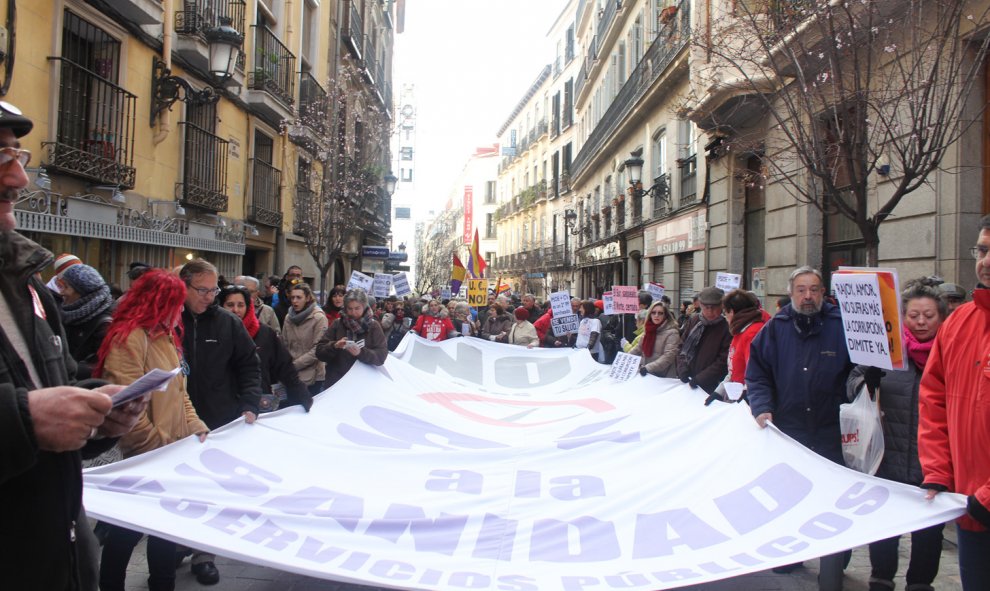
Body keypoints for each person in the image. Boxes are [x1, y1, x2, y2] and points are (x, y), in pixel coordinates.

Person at [0, 102, 148, 591]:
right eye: (1, 157)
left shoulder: (28, 288)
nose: (18, 178)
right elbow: (28, 411)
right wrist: (23, 418)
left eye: (16, 155)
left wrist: (98, 410)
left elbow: (52, 386)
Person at [95, 269, 209, 591]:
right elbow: (125, 402)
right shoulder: (129, 338)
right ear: (160, 302)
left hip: (168, 453)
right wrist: (157, 444)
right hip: (143, 456)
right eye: (176, 303)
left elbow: (180, 392)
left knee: (164, 531)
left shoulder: (167, 337)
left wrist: (195, 426)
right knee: (126, 532)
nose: (181, 311)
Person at [746, 266, 853, 590]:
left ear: (824, 293)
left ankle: (833, 565)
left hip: (830, 430)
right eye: (802, 290)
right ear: (791, 293)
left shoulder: (842, 326)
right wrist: (762, 407)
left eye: (815, 289)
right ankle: (791, 552)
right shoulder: (774, 329)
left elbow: (860, 369)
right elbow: (758, 374)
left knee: (833, 500)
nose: (808, 296)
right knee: (791, 497)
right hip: (790, 431)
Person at [845, 278, 947, 591]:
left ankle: (920, 583)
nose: (920, 322)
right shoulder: (886, 349)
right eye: (913, 315)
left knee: (929, 531)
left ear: (941, 318)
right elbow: (852, 388)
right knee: (885, 525)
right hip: (886, 456)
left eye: (928, 316)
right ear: (902, 317)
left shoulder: (950, 352)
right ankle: (881, 577)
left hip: (932, 461)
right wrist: (868, 382)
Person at [178, 258, 262, 585]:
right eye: (202, 289)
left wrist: (249, 404)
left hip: (218, 419)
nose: (208, 296)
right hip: (177, 421)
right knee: (180, 487)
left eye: (213, 289)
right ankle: (175, 542)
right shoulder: (169, 322)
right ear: (183, 287)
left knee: (208, 490)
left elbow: (249, 366)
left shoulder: (227, 323)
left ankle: (204, 554)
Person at [918, 218, 990, 590]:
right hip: (970, 512)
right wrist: (938, 473)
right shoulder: (959, 321)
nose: (986, 260)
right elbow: (933, 401)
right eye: (982, 250)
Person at [219, 285, 312, 412]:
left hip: (259, 405)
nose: (235, 310)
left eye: (240, 305)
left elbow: (285, 367)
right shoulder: (213, 334)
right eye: (230, 305)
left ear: (248, 306)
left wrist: (301, 394)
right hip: (223, 406)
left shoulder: (265, 333)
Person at [316, 289, 388, 387]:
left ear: (364, 306)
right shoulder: (338, 324)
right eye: (349, 309)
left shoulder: (374, 326)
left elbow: (381, 356)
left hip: (364, 383)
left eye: (357, 308)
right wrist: (334, 346)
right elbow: (320, 352)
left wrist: (361, 352)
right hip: (337, 382)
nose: (353, 312)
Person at [57, 263, 114, 380]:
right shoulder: (66, 314)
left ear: (82, 292)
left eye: (66, 287)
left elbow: (100, 367)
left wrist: (62, 369)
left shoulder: (105, 324)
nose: (61, 292)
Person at [715, 289, 770, 402]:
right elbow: (733, 370)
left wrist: (745, 396)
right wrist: (719, 392)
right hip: (736, 395)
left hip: (748, 400)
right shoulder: (740, 332)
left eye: (725, 313)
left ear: (732, 312)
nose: (725, 318)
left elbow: (756, 372)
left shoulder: (752, 333)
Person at [676, 286, 731, 395]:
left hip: (711, 385)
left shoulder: (726, 327)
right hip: (688, 381)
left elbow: (723, 360)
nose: (710, 311)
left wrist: (700, 379)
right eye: (706, 307)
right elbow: (682, 346)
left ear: (721, 306)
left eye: (714, 307)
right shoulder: (694, 320)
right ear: (700, 305)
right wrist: (681, 367)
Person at [281, 281, 328, 396]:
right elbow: (284, 343)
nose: (295, 301)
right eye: (292, 297)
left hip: (313, 375)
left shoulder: (319, 318)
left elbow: (318, 349)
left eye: (298, 297)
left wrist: (295, 365)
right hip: (291, 374)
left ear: (307, 298)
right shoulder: (288, 317)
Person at [629, 301, 680, 377]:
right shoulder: (648, 330)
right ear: (650, 314)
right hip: (647, 375)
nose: (656, 315)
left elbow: (668, 356)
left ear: (665, 315)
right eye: (653, 312)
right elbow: (638, 349)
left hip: (663, 377)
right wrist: (623, 359)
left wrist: (648, 368)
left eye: (660, 313)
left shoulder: (672, 333)